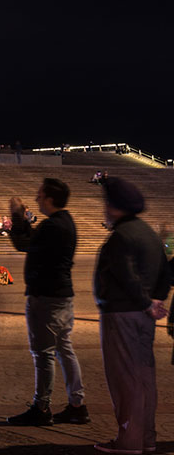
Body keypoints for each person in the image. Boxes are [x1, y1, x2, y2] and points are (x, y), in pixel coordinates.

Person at [92, 176, 170, 455]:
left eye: (106, 204)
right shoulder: (148, 233)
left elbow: (126, 276)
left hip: (122, 313)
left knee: (125, 378)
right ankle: (147, 438)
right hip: (142, 316)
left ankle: (129, 441)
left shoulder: (121, 236)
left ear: (114, 206)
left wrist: (145, 302)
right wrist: (156, 300)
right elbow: (165, 274)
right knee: (144, 376)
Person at [5, 178, 87, 426]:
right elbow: (35, 242)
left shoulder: (53, 226)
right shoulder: (64, 222)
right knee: (64, 348)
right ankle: (77, 404)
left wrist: (17, 214)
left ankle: (41, 407)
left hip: (46, 297)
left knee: (43, 354)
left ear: (50, 198)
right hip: (62, 295)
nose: (37, 198)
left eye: (40, 195)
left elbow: (23, 244)